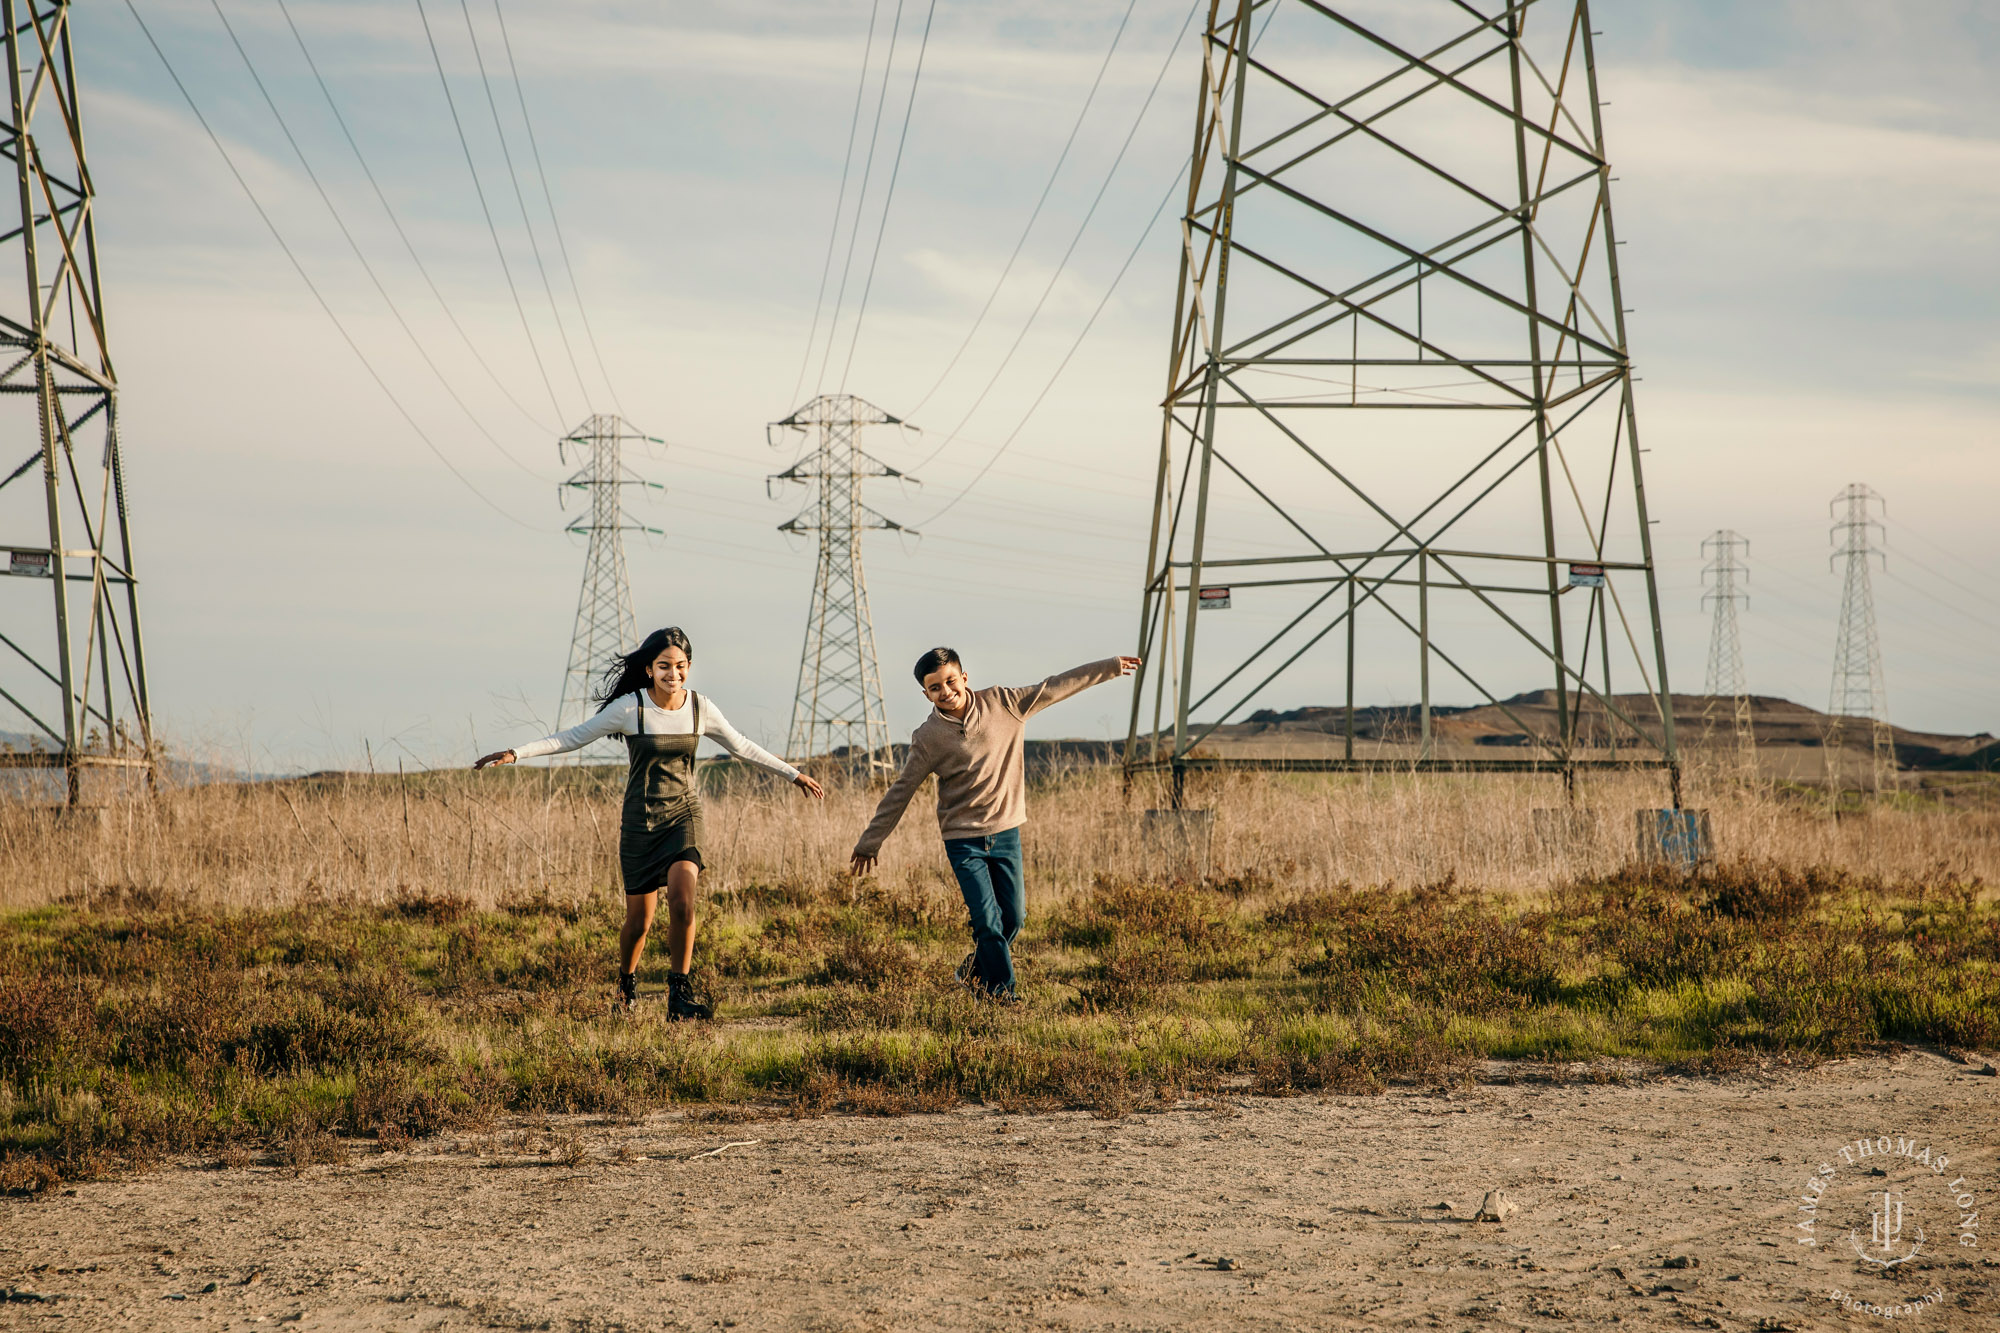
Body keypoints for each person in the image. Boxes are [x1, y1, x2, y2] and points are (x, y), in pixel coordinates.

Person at [475, 626, 823, 1017]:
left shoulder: (699, 708)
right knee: (639, 923)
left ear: (689, 667)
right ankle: (626, 985)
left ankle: (679, 995)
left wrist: (793, 773)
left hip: (684, 817)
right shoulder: (631, 709)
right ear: (648, 669)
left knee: (683, 902)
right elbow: (572, 738)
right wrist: (515, 753)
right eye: (664, 666)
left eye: (680, 666)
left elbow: (741, 745)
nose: (673, 674)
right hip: (641, 822)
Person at [849, 647, 1138, 1001]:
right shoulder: (927, 738)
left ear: (964, 678)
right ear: (926, 694)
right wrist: (869, 842)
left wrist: (1107, 668)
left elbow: (1056, 686)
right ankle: (1002, 995)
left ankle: (972, 971)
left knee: (1013, 919)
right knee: (987, 922)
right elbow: (901, 791)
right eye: (935, 688)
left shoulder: (1005, 703)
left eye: (950, 681)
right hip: (963, 840)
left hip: (1005, 833)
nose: (946, 691)